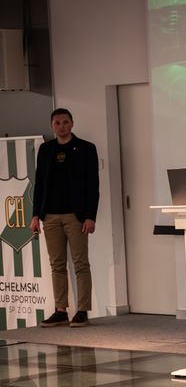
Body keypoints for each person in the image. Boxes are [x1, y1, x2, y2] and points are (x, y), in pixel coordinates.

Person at [30, 108, 99, 328]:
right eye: (57, 123)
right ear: (52, 126)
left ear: (72, 123)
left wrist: (90, 216)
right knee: (57, 264)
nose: (61, 126)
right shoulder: (46, 149)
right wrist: (35, 215)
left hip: (75, 216)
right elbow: (39, 184)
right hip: (50, 216)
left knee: (80, 264)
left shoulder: (86, 148)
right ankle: (61, 310)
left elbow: (93, 186)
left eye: (65, 122)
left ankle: (82, 310)